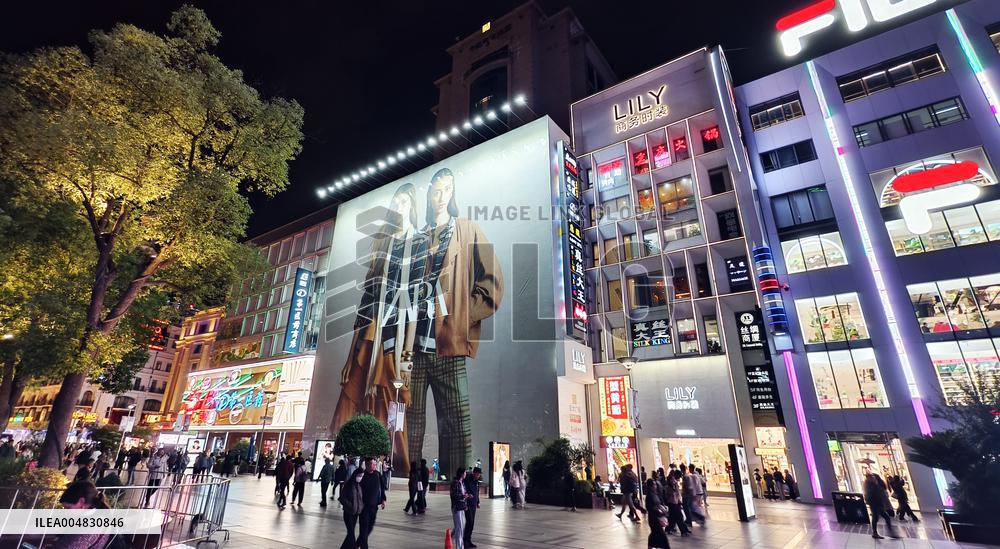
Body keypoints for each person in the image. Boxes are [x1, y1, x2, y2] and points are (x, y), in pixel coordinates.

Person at [407, 169, 504, 481]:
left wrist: (462, 318)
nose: (440, 197)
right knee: (408, 423)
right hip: (413, 350)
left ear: (453, 193)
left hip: (449, 345)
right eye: (436, 190)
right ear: (428, 195)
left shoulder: (467, 229)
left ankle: (459, 485)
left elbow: (493, 284)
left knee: (458, 426)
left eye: (447, 190)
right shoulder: (416, 238)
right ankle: (406, 479)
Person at [55, 482, 110, 549]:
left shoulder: (90, 527)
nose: (65, 512)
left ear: (81, 502)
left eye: (68, 507)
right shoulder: (96, 516)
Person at [358, 457, 386, 549]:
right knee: (364, 529)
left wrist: (383, 500)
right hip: (364, 507)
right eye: (372, 464)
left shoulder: (378, 474)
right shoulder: (361, 475)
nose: (374, 466)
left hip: (374, 507)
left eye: (375, 464)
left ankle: (356, 545)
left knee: (370, 527)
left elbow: (382, 488)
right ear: (366, 465)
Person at [863, 471, 898, 539]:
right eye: (872, 477)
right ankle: (877, 533)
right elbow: (871, 494)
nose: (873, 478)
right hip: (875, 504)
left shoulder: (871, 484)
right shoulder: (869, 484)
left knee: (880, 517)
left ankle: (882, 532)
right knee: (877, 518)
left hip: (877, 503)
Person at [339, 466, 365, 549]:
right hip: (348, 513)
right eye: (359, 476)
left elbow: (361, 498)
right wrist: (350, 505)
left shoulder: (359, 485)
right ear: (355, 475)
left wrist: (361, 506)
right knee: (351, 534)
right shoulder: (348, 484)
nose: (360, 478)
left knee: (350, 533)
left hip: (356, 513)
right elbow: (342, 498)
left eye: (362, 476)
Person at [645, 478, 670, 548]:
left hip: (657, 517)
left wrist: (663, 507)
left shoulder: (655, 494)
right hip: (654, 518)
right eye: (654, 485)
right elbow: (649, 507)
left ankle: (650, 546)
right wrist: (658, 509)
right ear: (650, 486)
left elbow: (659, 503)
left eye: (655, 484)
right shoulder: (649, 496)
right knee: (661, 535)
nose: (655, 486)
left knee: (654, 534)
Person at [664, 470, 690, 536]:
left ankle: (669, 529)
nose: (679, 478)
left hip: (675, 502)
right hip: (673, 502)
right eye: (679, 476)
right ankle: (683, 530)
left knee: (673, 517)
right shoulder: (672, 481)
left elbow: (677, 493)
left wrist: (679, 501)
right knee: (679, 517)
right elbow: (674, 492)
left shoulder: (673, 481)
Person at [450, 468, 471, 549]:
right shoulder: (455, 483)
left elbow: (463, 493)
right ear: (462, 474)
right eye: (465, 473)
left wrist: (467, 495)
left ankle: (459, 544)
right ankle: (459, 547)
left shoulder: (461, 482)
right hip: (457, 507)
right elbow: (454, 495)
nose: (466, 474)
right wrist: (463, 496)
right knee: (459, 529)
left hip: (462, 507)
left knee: (462, 526)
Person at [464, 467, 482, 548]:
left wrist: (478, 502)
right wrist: (467, 495)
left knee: (472, 524)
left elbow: (477, 492)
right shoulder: (468, 480)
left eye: (479, 474)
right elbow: (464, 491)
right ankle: (465, 541)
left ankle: (469, 540)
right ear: (474, 473)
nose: (478, 476)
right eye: (477, 474)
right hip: (468, 504)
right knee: (469, 522)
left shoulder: (476, 481)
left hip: (474, 504)